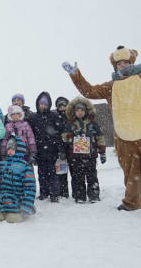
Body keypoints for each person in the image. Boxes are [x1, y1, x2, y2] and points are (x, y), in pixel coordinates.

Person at [63, 45, 141, 210]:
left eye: (126, 62)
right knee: (130, 171)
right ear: (115, 66)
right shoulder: (111, 86)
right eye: (119, 64)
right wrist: (75, 75)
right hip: (123, 135)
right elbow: (89, 91)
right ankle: (132, 201)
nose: (123, 66)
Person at [61, 97, 106, 203]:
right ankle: (80, 196)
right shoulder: (70, 123)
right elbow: (64, 137)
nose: (80, 112)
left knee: (92, 177)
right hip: (76, 157)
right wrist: (71, 135)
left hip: (91, 155)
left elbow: (100, 137)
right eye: (77, 110)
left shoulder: (92, 123)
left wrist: (102, 152)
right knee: (78, 178)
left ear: (86, 111)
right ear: (74, 112)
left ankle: (94, 196)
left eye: (82, 110)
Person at [0, 135, 36, 223]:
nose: (9, 151)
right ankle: (2, 210)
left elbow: (30, 188)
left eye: (13, 149)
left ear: (19, 150)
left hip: (16, 201)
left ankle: (28, 208)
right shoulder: (1, 164)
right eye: (8, 149)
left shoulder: (25, 166)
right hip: (1, 202)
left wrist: (26, 207)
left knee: (12, 219)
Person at [28, 92, 65, 203]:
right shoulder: (33, 117)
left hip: (52, 150)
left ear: (49, 104)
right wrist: (32, 151)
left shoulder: (54, 116)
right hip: (39, 150)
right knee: (41, 173)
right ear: (38, 104)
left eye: (45, 103)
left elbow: (59, 134)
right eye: (41, 103)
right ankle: (44, 193)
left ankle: (54, 194)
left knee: (53, 173)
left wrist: (61, 149)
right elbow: (31, 135)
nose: (43, 105)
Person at [53, 97, 71, 199]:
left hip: (73, 149)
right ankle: (63, 192)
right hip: (61, 149)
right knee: (61, 173)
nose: (63, 108)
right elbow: (56, 135)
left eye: (64, 105)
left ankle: (77, 191)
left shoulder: (72, 117)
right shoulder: (55, 118)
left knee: (75, 172)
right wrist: (60, 149)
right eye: (60, 106)